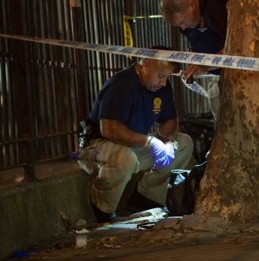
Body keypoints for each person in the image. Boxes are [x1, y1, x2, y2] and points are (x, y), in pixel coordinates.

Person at [76, 47, 195, 223]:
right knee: (125, 158)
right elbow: (110, 129)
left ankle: (145, 196)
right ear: (146, 64)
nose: (163, 83)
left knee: (184, 143)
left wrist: (166, 141)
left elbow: (170, 119)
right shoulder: (121, 84)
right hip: (96, 147)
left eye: (167, 77)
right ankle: (103, 208)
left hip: (134, 146)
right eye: (161, 76)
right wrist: (149, 142)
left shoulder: (161, 88)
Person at [159, 0, 231, 124]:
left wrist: (206, 66)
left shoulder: (215, 3)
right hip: (217, 75)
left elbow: (237, 46)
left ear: (191, 5)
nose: (183, 28)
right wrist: (196, 64)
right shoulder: (185, 14)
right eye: (179, 26)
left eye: (183, 22)